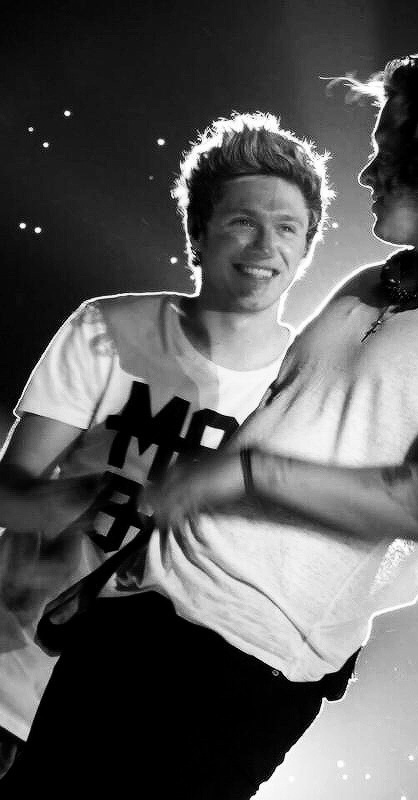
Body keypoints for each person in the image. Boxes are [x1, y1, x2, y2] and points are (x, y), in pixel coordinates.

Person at [5, 44, 418, 799]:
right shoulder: (368, 285)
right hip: (133, 614)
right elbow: (272, 429)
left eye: (388, 148)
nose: (367, 173)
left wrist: (246, 476)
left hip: (239, 665)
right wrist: (124, 573)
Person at [0, 111, 332, 780]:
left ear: (306, 248)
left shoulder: (311, 386)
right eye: (242, 221)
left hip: (147, 719)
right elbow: (8, 491)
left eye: (287, 228)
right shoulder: (107, 327)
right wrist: (86, 506)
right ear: (200, 231)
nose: (264, 245)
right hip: (14, 678)